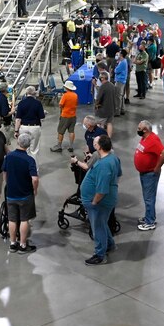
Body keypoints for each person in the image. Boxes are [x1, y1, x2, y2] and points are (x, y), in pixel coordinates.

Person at [73, 135, 120, 265]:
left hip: (99, 202)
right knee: (102, 224)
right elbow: (118, 174)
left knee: (97, 227)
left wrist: (94, 201)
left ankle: (100, 255)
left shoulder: (104, 165)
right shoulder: (112, 158)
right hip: (104, 200)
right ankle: (109, 244)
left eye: (95, 143)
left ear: (99, 146)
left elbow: (102, 190)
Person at [3, 133, 40, 253]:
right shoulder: (29, 160)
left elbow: (5, 172)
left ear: (18, 142)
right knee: (24, 219)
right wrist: (35, 190)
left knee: (12, 219)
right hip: (25, 195)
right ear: (29, 145)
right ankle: (23, 245)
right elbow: (34, 178)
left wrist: (8, 184)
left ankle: (13, 244)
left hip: (11, 193)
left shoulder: (9, 157)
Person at [134, 120, 164, 231]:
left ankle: (150, 222)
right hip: (144, 172)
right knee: (147, 197)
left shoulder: (153, 140)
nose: (137, 130)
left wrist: (157, 167)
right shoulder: (145, 137)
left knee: (149, 198)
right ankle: (149, 217)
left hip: (150, 174)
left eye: (139, 128)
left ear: (145, 130)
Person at [14, 85, 45, 155]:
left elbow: (18, 119)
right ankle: (33, 165)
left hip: (23, 127)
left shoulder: (21, 103)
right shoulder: (38, 103)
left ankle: (25, 165)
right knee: (34, 150)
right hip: (35, 127)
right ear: (34, 93)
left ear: (26, 93)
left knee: (24, 148)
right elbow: (42, 117)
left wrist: (16, 131)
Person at [50, 79, 78, 152]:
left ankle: (59, 146)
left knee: (61, 131)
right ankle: (71, 146)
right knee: (71, 131)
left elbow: (60, 105)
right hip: (73, 116)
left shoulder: (65, 95)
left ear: (66, 87)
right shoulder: (75, 95)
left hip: (65, 116)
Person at [93, 71, 116, 138]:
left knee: (100, 124)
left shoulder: (103, 87)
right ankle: (108, 137)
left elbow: (98, 99)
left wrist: (95, 106)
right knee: (109, 123)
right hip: (111, 109)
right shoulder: (112, 85)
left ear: (102, 78)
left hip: (103, 110)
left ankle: (101, 138)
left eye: (100, 77)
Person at [113, 51, 129, 116]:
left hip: (120, 80)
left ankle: (117, 112)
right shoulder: (123, 61)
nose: (117, 55)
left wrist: (115, 68)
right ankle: (122, 109)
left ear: (121, 55)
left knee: (118, 96)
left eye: (119, 54)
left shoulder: (123, 62)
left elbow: (116, 70)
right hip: (121, 80)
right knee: (121, 96)